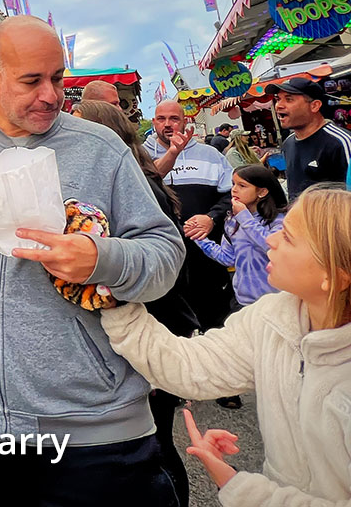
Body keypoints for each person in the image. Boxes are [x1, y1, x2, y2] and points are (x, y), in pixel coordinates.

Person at [0, 16, 185, 507]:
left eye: (57, 77)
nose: (51, 95)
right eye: (32, 80)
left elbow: (166, 253)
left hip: (97, 438)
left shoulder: (103, 150)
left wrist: (102, 258)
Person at [101, 186, 351, 507]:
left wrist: (238, 487)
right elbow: (191, 367)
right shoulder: (273, 318)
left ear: (334, 275)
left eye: (288, 237)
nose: (271, 241)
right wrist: (111, 299)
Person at [72, 99, 198, 507]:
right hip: (149, 329)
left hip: (157, 325)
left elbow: (162, 266)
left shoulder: (136, 185)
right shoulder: (142, 172)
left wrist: (99, 260)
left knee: (156, 444)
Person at [145, 99, 236, 333]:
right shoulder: (141, 156)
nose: (168, 124)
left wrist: (212, 217)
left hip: (206, 254)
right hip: (164, 254)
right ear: (154, 122)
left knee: (216, 321)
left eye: (174, 118)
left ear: (185, 121)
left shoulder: (211, 155)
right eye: (161, 119)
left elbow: (231, 195)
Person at [193, 164, 285, 310]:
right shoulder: (232, 221)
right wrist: (200, 238)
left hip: (276, 300)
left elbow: (273, 248)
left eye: (242, 185)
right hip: (243, 300)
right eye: (233, 184)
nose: (234, 189)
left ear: (262, 191)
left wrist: (245, 218)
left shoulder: (278, 220)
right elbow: (228, 258)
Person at [270, 78, 351, 203]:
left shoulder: (340, 142)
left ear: (314, 106)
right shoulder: (288, 143)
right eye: (278, 99)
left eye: (289, 99)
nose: (279, 105)